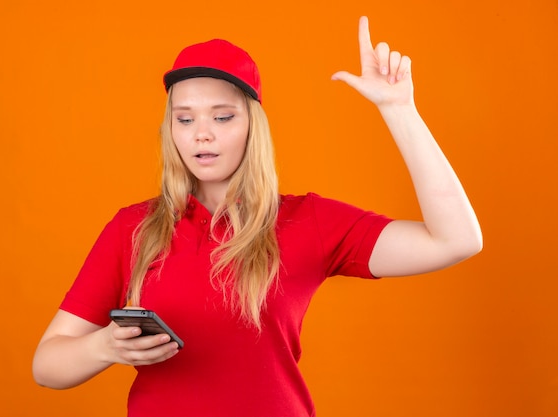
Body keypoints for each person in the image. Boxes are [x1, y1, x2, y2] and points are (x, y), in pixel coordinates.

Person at [32, 16, 482, 417]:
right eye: (184, 119)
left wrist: (399, 110)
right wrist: (103, 345)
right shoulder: (133, 229)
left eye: (222, 116)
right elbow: (46, 365)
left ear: (252, 124)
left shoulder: (309, 221)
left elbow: (457, 240)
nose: (202, 134)